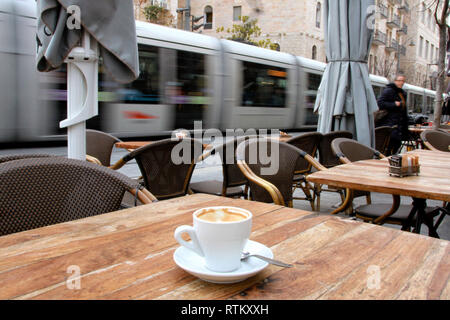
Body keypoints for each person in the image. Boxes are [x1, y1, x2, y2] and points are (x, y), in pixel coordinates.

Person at [376, 74, 409, 155]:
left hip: (399, 125)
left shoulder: (402, 93)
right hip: (389, 124)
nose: (401, 83)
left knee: (397, 145)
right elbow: (380, 103)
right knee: (390, 145)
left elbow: (403, 111)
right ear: (395, 81)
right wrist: (394, 104)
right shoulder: (389, 90)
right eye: (399, 80)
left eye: (403, 81)